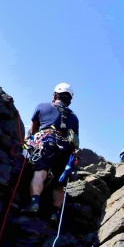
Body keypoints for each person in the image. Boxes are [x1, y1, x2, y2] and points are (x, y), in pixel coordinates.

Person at [24, 82, 80, 223]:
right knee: (59, 183)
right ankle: (55, 213)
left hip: (46, 142)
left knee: (40, 171)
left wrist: (26, 144)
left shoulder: (42, 106)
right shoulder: (74, 118)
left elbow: (33, 131)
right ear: (69, 100)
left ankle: (34, 201)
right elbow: (75, 139)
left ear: (55, 95)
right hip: (65, 149)